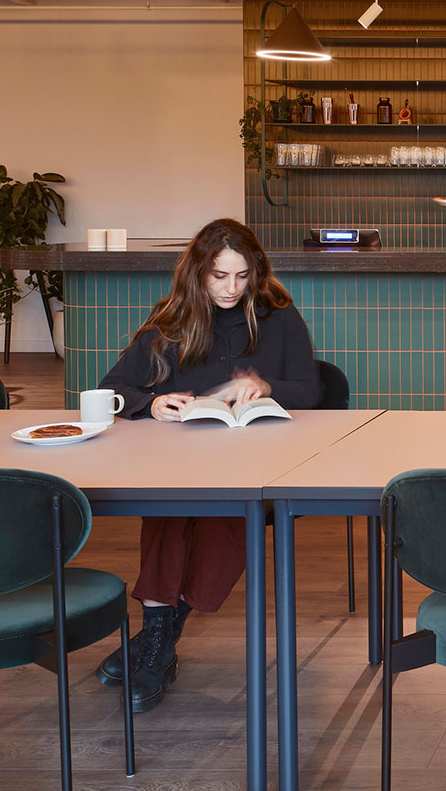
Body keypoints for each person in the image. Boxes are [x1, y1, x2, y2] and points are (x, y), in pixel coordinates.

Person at [94, 218, 321, 712]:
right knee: (168, 512)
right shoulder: (172, 321)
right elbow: (113, 387)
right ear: (199, 272)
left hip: (257, 464)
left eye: (241, 277)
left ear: (255, 272)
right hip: (179, 462)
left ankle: (156, 639)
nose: (231, 289)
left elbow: (312, 389)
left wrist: (266, 387)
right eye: (219, 276)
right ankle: (160, 640)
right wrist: (151, 404)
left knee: (224, 519)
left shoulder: (278, 315)